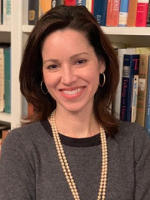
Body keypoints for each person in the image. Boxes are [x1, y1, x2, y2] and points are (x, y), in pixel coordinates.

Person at [0, 5, 150, 200]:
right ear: (42, 75)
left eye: (79, 61)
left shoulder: (135, 141)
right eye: (53, 66)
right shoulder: (20, 146)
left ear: (101, 63)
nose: (68, 78)